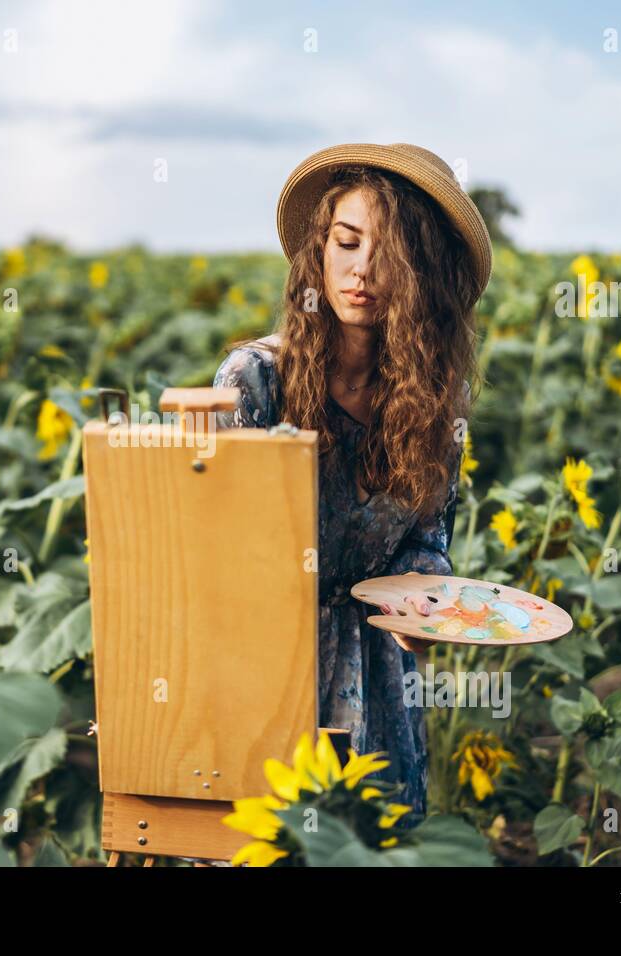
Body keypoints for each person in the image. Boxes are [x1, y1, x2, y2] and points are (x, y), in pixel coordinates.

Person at [212, 143, 492, 823]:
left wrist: (424, 610)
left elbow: (426, 542)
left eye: (387, 252)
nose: (361, 269)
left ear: (421, 273)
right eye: (345, 241)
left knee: (371, 839)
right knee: (271, 838)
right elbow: (213, 556)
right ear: (320, 252)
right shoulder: (254, 381)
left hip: (377, 677)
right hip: (267, 666)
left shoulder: (434, 401)